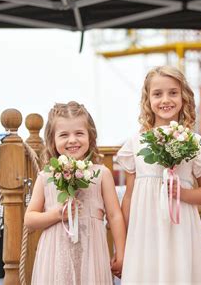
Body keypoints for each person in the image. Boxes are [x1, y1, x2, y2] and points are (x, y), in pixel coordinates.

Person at [117, 65, 201, 284]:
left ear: (184, 97)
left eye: (173, 92)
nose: (165, 100)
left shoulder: (194, 142)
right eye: (157, 94)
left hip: (180, 229)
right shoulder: (136, 143)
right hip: (145, 231)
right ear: (148, 99)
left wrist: (182, 193)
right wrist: (123, 243)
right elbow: (129, 196)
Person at [24, 101, 126, 284]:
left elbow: (114, 215)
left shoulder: (101, 174)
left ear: (90, 137)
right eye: (64, 135)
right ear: (53, 141)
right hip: (55, 258)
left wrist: (121, 253)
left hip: (91, 256)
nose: (72, 140)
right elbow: (29, 220)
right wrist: (56, 214)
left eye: (79, 133)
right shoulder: (46, 176)